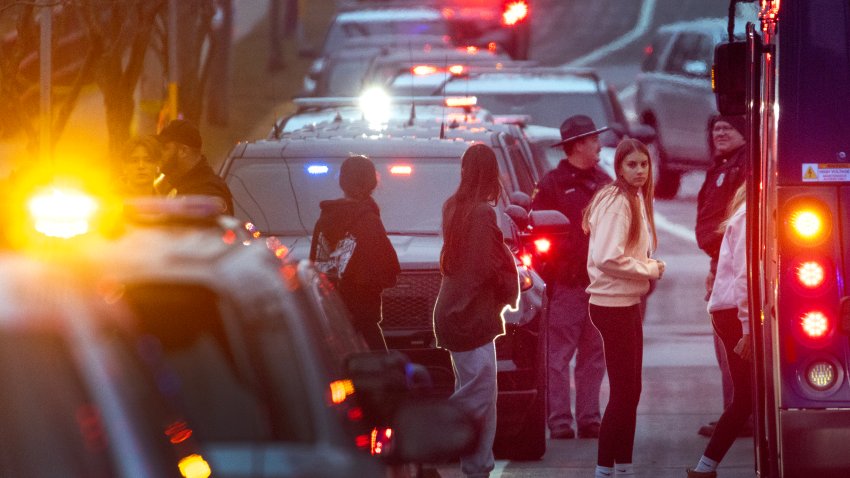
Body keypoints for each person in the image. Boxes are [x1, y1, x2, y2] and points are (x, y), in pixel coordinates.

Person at [433, 144, 519, 478]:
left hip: (455, 311)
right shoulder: (483, 213)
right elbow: (484, 267)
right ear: (491, 173)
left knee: (481, 394)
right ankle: (420, 433)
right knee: (480, 397)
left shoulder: (453, 206)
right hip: (472, 315)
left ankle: (477, 467)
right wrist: (507, 280)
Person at [582, 138, 665, 478]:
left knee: (631, 390)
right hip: (612, 304)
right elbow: (606, 257)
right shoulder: (617, 202)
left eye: (644, 164)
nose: (640, 171)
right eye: (632, 165)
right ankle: (605, 469)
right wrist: (649, 268)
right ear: (618, 168)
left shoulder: (631, 198)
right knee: (624, 391)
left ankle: (623, 467)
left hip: (625, 302)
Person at [531, 114, 611, 440]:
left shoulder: (605, 184)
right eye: (593, 140)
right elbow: (535, 233)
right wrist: (550, 274)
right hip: (566, 286)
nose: (598, 145)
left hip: (600, 286)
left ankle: (590, 419)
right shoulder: (551, 184)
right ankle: (560, 421)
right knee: (558, 356)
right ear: (577, 145)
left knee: (594, 356)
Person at [687, 186, 750, 478]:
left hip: (731, 312)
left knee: (748, 396)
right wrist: (748, 328)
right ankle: (705, 467)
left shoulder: (742, 215)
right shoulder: (748, 217)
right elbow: (744, 276)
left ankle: (705, 467)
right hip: (734, 314)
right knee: (747, 397)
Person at [694, 114, 750, 438]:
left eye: (727, 128)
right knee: (724, 346)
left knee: (730, 343)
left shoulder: (742, 166)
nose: (720, 133)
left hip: (731, 259)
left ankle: (738, 414)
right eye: (715, 128)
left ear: (744, 132)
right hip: (720, 258)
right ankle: (736, 410)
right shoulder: (722, 165)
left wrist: (719, 264)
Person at [310, 155, 400, 351]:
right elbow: (387, 269)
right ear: (372, 183)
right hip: (363, 321)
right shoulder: (368, 220)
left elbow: (315, 264)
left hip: (330, 315)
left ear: (342, 182)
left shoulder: (324, 220)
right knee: (379, 374)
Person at [156, 119, 234, 215]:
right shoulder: (174, 186)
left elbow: (221, 228)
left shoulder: (208, 194)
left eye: (165, 148)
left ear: (183, 151)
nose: (159, 154)